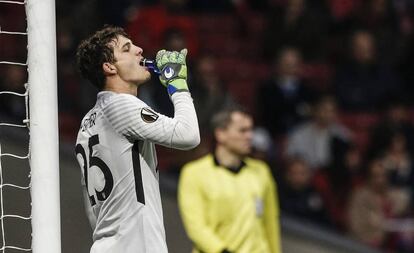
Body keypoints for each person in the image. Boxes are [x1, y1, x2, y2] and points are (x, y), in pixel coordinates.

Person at [74, 25, 200, 253]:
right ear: (109, 67)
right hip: (135, 245)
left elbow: (91, 206)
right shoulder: (120, 105)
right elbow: (188, 135)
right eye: (127, 48)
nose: (140, 50)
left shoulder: (87, 122)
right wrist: (178, 86)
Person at [178, 106, 282, 253]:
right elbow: (196, 226)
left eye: (250, 130)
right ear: (221, 134)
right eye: (242, 130)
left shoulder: (261, 171)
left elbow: (271, 222)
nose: (250, 136)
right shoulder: (194, 173)